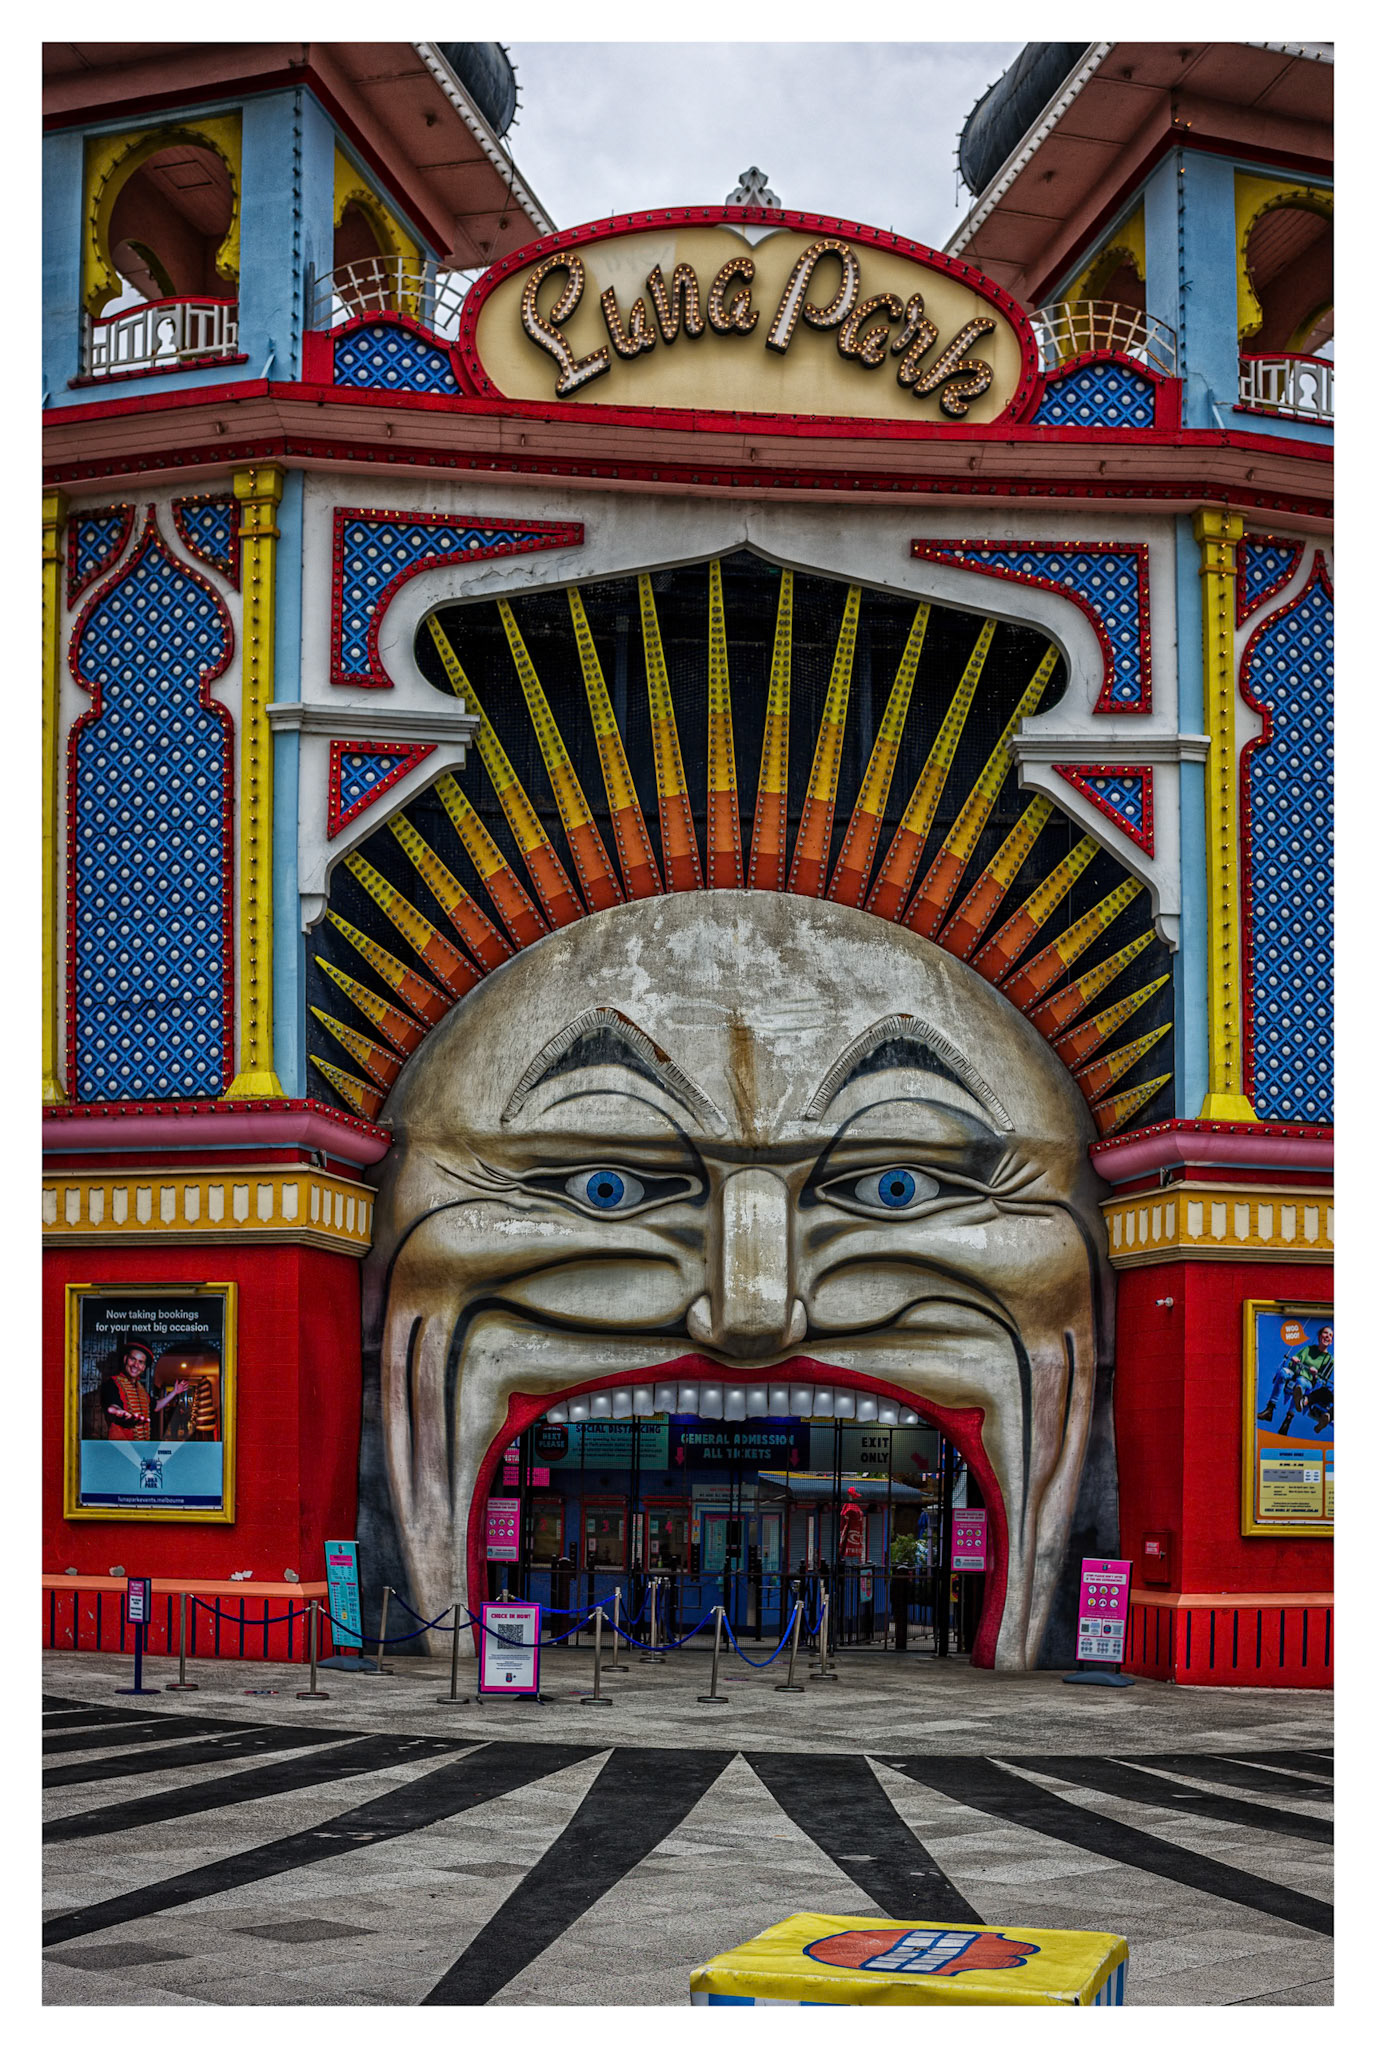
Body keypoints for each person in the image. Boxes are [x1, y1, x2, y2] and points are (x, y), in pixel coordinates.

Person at [98, 1341, 186, 1442]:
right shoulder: (112, 1383)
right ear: (125, 1359)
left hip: (141, 1447)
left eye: (140, 1362)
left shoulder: (141, 1389)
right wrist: (116, 1410)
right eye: (133, 1359)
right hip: (121, 1447)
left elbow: (156, 1406)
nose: (136, 1365)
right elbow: (112, 1404)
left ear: (143, 1367)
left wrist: (174, 1392)